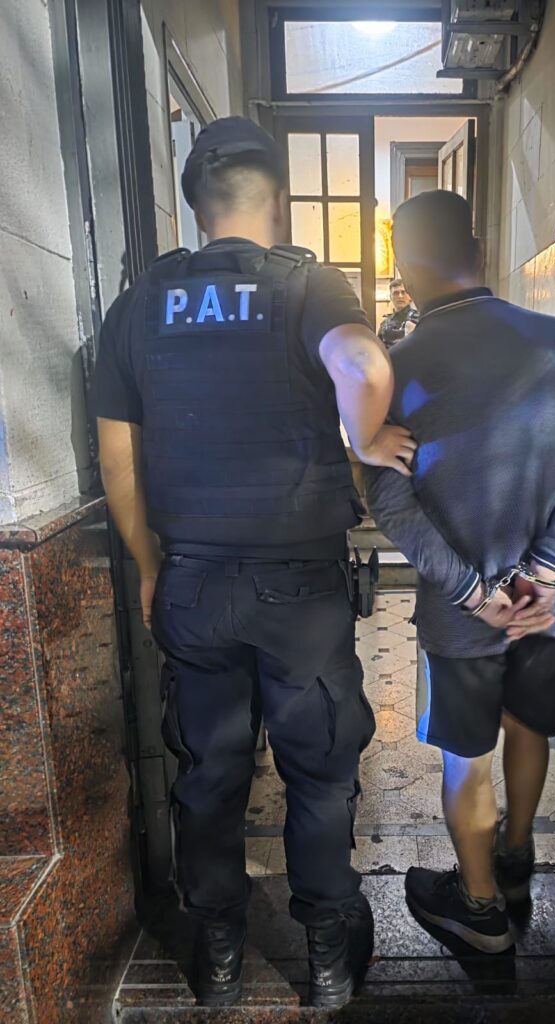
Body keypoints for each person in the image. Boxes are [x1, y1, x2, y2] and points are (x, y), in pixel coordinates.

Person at [91, 116, 416, 1008]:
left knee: (209, 772)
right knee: (320, 768)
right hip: (301, 591)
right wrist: (366, 435)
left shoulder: (138, 305)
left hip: (193, 581)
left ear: (196, 210)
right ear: (276, 199)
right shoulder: (307, 286)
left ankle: (220, 957)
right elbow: (361, 364)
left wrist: (149, 564)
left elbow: (119, 462)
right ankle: (327, 959)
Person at [364, 190, 555, 954]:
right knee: (530, 724)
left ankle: (479, 910)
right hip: (546, 605)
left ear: (405, 269)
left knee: (466, 758)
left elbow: (390, 499)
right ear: (478, 249)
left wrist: (475, 590)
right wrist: (543, 575)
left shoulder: (396, 368)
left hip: (462, 613)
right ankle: (516, 859)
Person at [377, 278, 419, 349]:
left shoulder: (418, 319)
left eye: (403, 292)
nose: (400, 296)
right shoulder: (385, 323)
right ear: (391, 297)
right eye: (396, 293)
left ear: (410, 296)